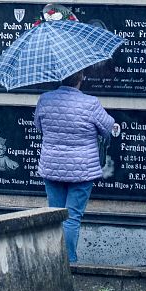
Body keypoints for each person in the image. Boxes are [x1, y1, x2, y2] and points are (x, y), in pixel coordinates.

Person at [34, 70, 114, 263]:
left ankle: (55, 262)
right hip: (82, 169)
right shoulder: (90, 103)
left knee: (55, 216)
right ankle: (69, 262)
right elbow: (107, 128)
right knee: (72, 217)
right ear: (81, 79)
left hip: (52, 167)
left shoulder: (45, 99)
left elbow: (39, 126)